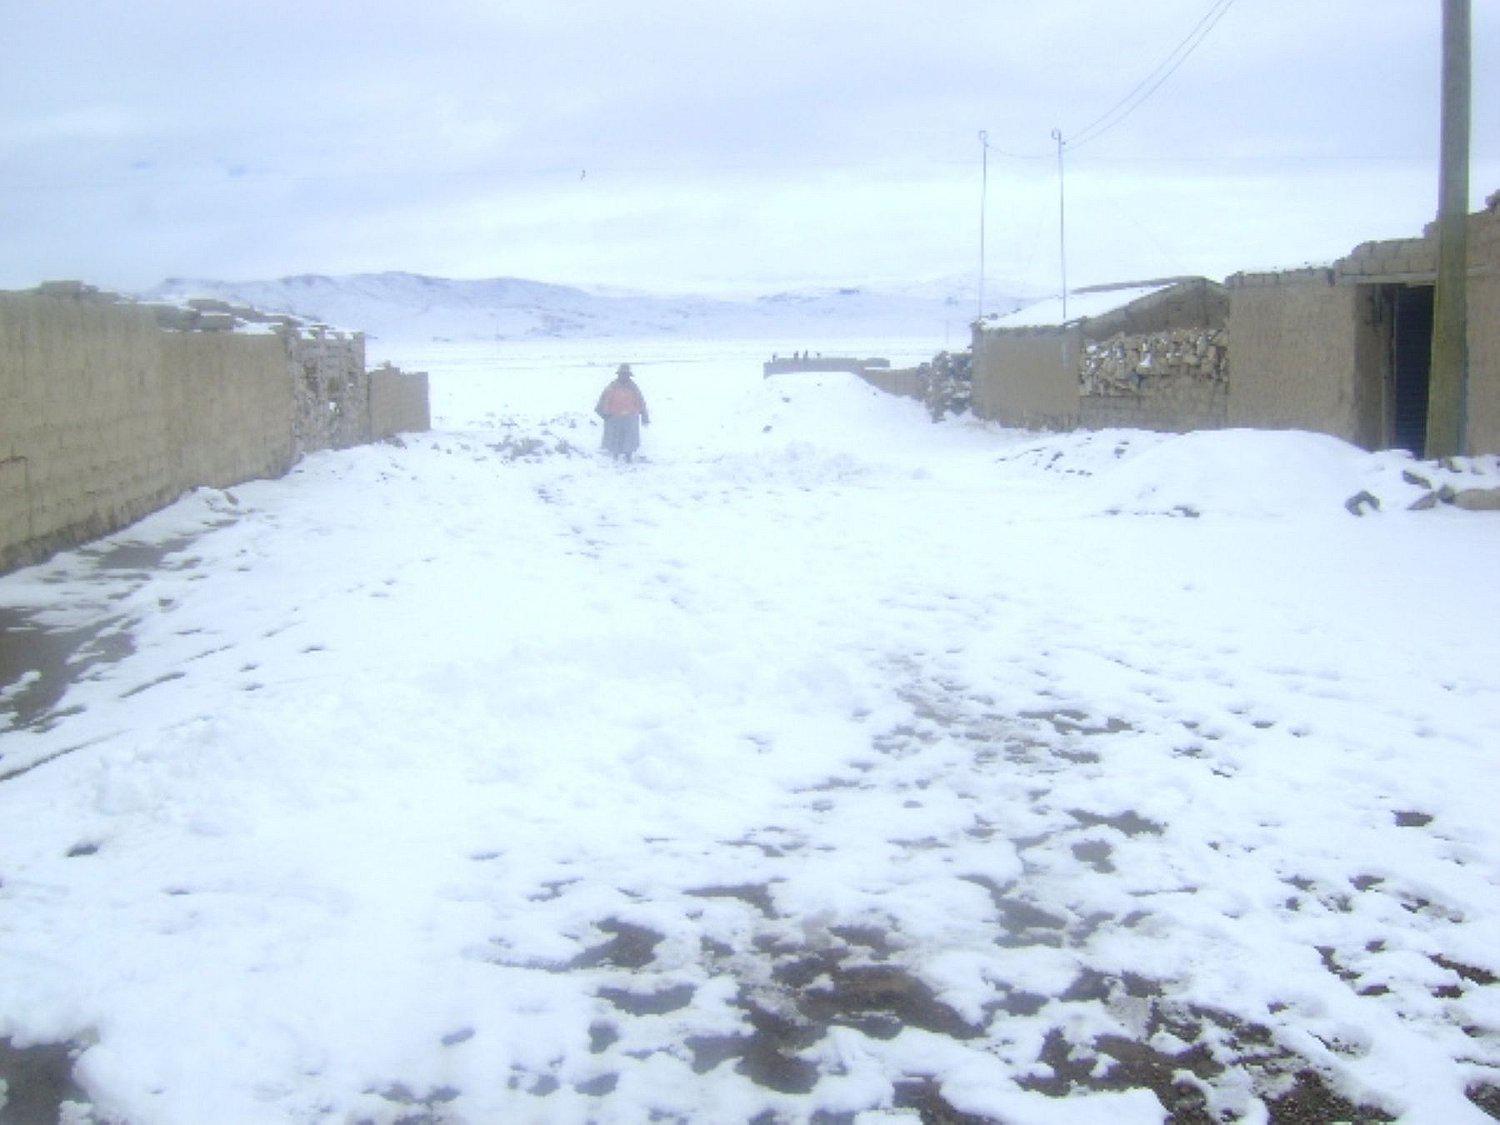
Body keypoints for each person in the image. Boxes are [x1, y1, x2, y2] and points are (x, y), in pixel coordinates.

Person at [595, 363, 650, 461]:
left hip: (630, 418)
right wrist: (603, 413)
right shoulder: (611, 387)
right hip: (614, 417)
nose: (624, 376)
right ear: (619, 375)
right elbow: (603, 400)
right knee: (615, 438)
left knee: (630, 439)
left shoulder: (634, 387)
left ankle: (628, 456)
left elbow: (641, 401)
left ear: (629, 375)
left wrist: (645, 416)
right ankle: (615, 456)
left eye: (626, 374)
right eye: (622, 374)